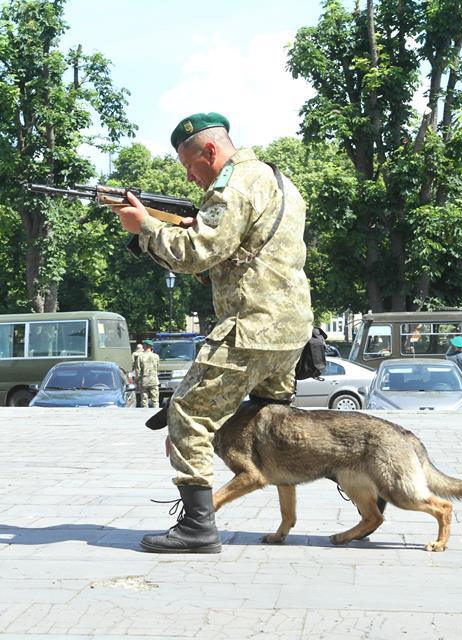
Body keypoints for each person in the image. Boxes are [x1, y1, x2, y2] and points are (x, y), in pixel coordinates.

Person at [115, 112, 313, 553]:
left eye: (190, 165)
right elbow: (244, 255)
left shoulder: (231, 186)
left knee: (186, 413)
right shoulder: (280, 181)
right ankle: (290, 501)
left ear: (210, 151)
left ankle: (198, 527)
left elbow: (195, 254)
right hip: (292, 330)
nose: (189, 176)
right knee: (269, 418)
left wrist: (145, 228)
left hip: (250, 328)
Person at [136, 340, 160, 408]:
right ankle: (156, 414)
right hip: (154, 380)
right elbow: (157, 367)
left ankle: (145, 415)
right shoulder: (156, 356)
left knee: (144, 400)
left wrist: (137, 381)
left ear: (145, 346)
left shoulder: (140, 357)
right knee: (155, 400)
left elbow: (138, 370)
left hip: (144, 380)